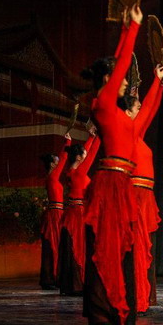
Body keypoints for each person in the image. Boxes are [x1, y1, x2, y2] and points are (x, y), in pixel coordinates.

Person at [80, 4, 142, 325]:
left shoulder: (120, 115)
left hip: (123, 184)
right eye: (115, 76)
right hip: (107, 184)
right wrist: (129, 29)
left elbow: (142, 118)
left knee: (123, 250)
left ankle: (123, 314)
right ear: (105, 79)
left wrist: (157, 87)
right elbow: (119, 70)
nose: (122, 82)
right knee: (104, 247)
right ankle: (100, 318)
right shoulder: (100, 105)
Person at [130, 64, 163, 314]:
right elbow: (147, 112)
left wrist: (161, 85)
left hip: (145, 195)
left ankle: (142, 295)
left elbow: (150, 110)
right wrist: (155, 82)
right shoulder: (129, 131)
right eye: (136, 106)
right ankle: (136, 297)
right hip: (136, 195)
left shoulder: (137, 134)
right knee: (138, 249)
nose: (141, 108)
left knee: (145, 249)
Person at [58, 127, 100, 296]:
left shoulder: (71, 172)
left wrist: (90, 137)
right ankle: (78, 284)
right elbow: (92, 153)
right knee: (80, 248)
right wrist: (99, 136)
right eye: (83, 154)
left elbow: (87, 153)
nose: (85, 156)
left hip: (73, 212)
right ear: (78, 156)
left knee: (74, 248)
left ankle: (71, 284)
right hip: (78, 214)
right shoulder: (80, 173)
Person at [38, 133, 72, 289]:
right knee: (53, 245)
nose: (58, 162)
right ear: (52, 164)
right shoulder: (52, 178)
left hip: (57, 212)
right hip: (54, 215)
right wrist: (68, 142)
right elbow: (64, 159)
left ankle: (53, 277)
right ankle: (51, 277)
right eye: (56, 161)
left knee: (56, 245)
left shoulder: (52, 178)